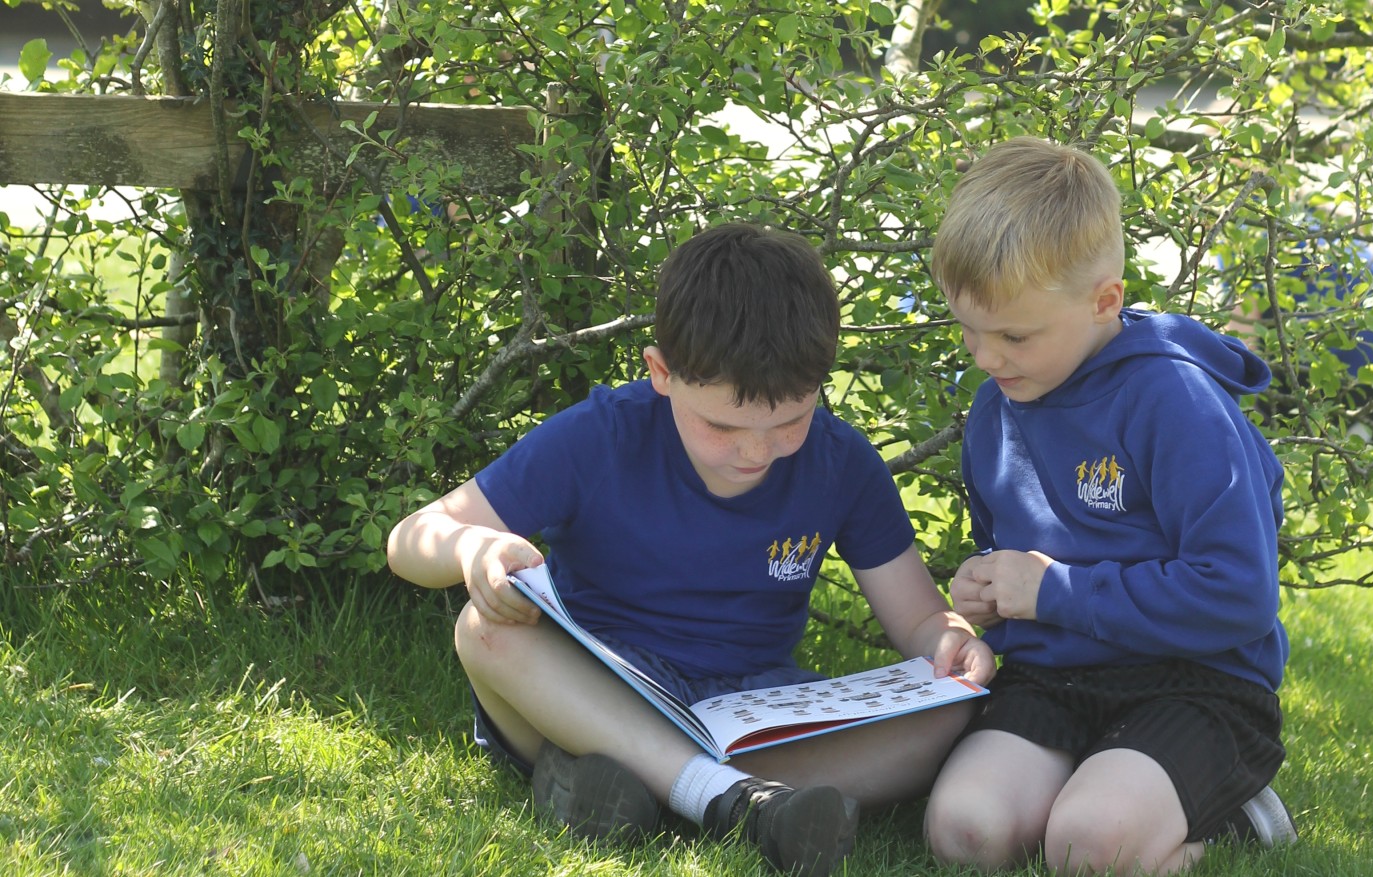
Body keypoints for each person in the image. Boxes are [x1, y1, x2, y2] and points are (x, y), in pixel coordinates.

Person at [387, 221, 995, 877]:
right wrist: (474, 547)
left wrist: (951, 642)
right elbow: (409, 539)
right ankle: (732, 801)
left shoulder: (841, 461)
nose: (756, 450)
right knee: (484, 631)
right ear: (661, 372)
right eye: (722, 426)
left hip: (753, 706)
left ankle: (624, 784)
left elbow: (918, 618)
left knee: (950, 709)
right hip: (599, 682)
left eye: (791, 421)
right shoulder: (600, 436)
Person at [919, 136, 1296, 875]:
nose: (987, 358)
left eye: (1014, 335)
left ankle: (1233, 818)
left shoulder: (1175, 402)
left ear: (1104, 301)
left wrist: (1052, 590)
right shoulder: (997, 406)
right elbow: (1012, 558)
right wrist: (985, 596)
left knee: (1088, 847)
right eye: (969, 331)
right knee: (965, 834)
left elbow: (1239, 593)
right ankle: (1102, 781)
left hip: (1195, 683)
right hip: (1055, 679)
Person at [1225, 213, 1373, 438]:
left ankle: (1360, 432)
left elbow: (1242, 334)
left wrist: (1240, 407)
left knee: (1263, 382)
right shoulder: (1310, 216)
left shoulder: (1238, 238)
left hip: (1355, 363)